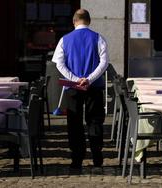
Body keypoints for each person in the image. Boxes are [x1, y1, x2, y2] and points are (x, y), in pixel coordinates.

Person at [52, 9, 109, 169]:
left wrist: (75, 79)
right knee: (95, 121)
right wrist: (89, 79)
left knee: (74, 122)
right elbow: (104, 63)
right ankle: (97, 156)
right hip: (94, 86)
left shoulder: (65, 40)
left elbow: (59, 64)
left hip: (73, 87)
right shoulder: (99, 38)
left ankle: (76, 158)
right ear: (89, 21)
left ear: (74, 21)